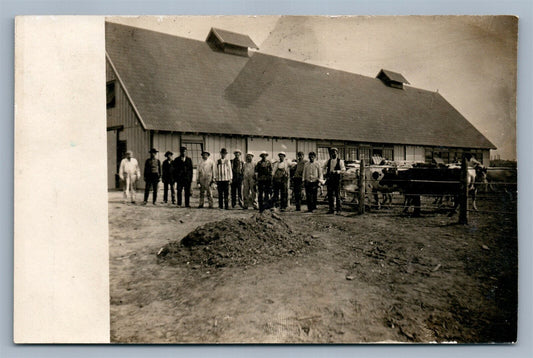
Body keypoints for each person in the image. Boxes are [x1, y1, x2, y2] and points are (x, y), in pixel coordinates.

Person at [324, 147, 346, 214]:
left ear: (337, 153)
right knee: (330, 195)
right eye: (332, 152)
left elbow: (343, 170)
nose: (333, 154)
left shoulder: (340, 161)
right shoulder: (328, 161)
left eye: (335, 152)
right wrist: (325, 173)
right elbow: (323, 167)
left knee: (337, 195)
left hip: (336, 179)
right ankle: (331, 209)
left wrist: (337, 171)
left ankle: (339, 209)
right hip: (330, 179)